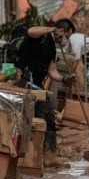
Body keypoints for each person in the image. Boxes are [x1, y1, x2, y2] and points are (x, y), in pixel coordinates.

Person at [14, 21, 77, 168]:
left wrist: (64, 79)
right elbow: (31, 30)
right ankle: (22, 156)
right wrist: (51, 29)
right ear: (60, 30)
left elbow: (52, 71)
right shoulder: (41, 36)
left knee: (48, 116)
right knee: (24, 119)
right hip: (24, 81)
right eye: (65, 35)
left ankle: (49, 155)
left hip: (37, 84)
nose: (65, 39)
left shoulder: (53, 48)